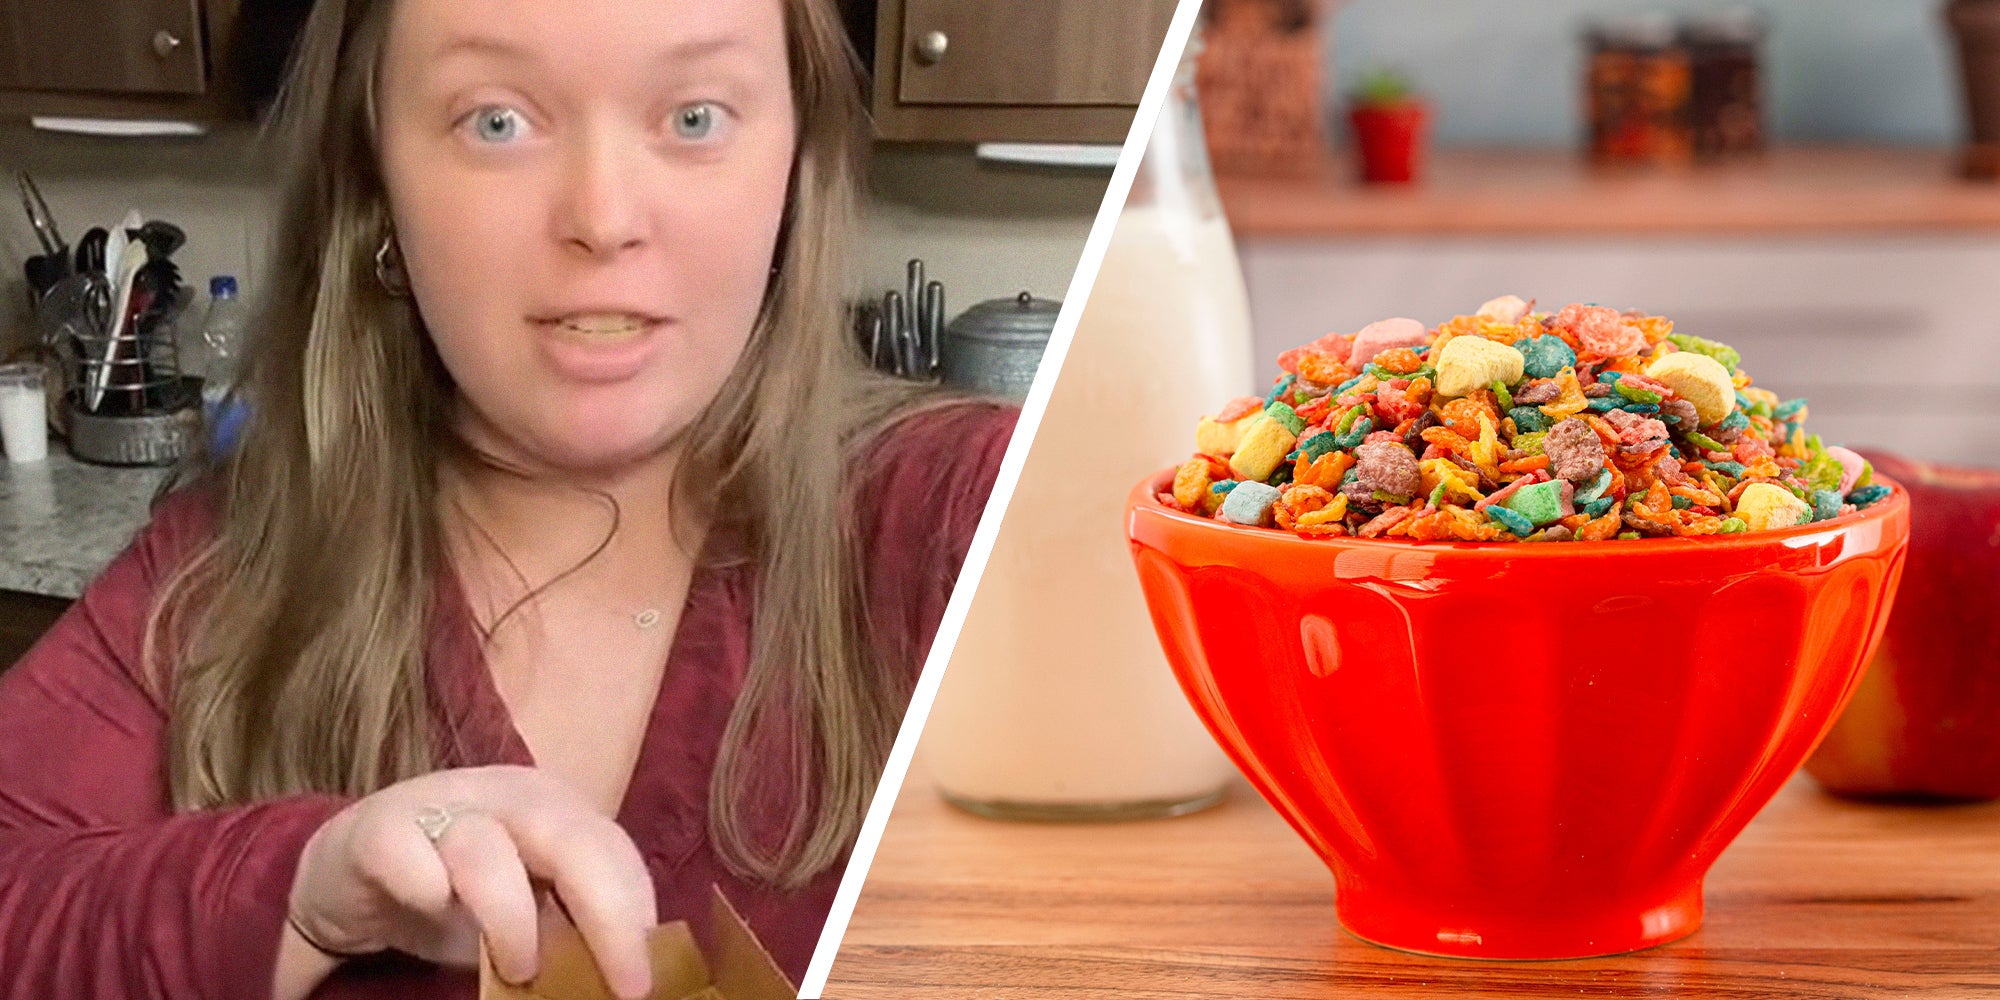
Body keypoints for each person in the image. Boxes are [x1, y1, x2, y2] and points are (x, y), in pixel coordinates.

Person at [0, 0, 1015, 996]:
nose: (604, 219)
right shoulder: (218, 576)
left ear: (797, 166)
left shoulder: (974, 515)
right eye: (497, 121)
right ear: (375, 178)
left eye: (694, 116)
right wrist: (299, 889)